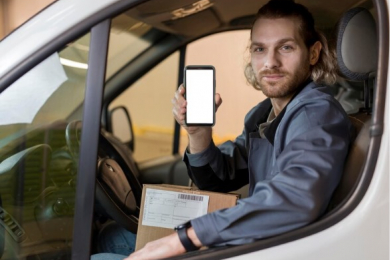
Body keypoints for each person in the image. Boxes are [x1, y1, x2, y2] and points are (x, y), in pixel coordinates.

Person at [91, 0, 353, 259]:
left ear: (314, 53)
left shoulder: (314, 115)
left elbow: (295, 198)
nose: (270, 62)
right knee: (111, 237)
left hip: (279, 247)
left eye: (285, 47)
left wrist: (185, 239)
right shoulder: (265, 113)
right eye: (260, 49)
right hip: (262, 237)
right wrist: (198, 133)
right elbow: (221, 179)